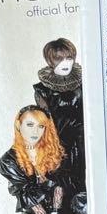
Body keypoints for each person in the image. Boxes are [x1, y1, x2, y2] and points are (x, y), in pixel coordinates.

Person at [33, 38, 85, 195]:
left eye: (69, 58)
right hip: (60, 144)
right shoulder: (42, 90)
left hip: (84, 140)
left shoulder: (84, 82)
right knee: (64, 186)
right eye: (59, 58)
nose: (65, 63)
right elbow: (45, 121)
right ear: (50, 60)